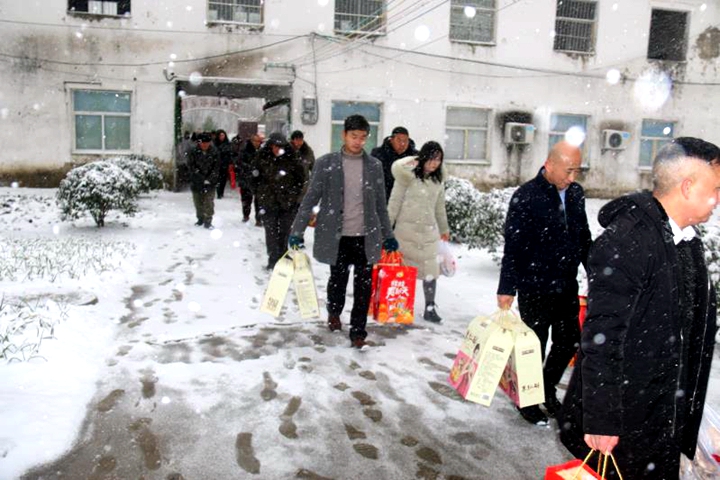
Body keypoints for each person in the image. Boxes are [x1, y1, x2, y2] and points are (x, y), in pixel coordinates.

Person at [559, 137, 720, 479]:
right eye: (716, 188)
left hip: (661, 408)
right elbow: (602, 336)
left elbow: (686, 330)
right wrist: (602, 420)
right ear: (688, 187)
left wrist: (689, 409)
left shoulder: (685, 239)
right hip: (628, 418)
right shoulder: (628, 241)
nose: (718, 199)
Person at [496, 140, 592, 426]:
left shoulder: (575, 194)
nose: (572, 178)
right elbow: (513, 245)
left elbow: (583, 235)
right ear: (549, 165)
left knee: (568, 341)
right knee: (533, 346)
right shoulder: (526, 195)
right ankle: (527, 399)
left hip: (565, 283)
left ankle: (547, 388)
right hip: (534, 284)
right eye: (568, 170)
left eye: (577, 171)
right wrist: (506, 287)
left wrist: (597, 273)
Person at [288, 114, 398, 350]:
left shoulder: (374, 166)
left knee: (363, 287)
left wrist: (388, 235)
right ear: (344, 135)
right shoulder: (326, 163)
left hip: (366, 237)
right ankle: (334, 312)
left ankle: (358, 331)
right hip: (336, 237)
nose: (358, 141)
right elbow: (309, 200)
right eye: (354, 136)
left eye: (362, 137)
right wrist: (297, 230)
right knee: (337, 281)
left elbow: (380, 205)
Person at [387, 141, 450, 323]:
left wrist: (444, 228)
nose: (434, 163)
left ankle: (430, 308)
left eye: (438, 159)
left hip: (428, 233)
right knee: (404, 273)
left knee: (430, 271)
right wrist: (387, 227)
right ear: (423, 157)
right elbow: (394, 202)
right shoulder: (407, 176)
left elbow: (439, 207)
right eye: (431, 159)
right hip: (405, 232)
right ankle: (399, 308)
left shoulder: (438, 180)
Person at [251, 132, 306, 270]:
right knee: (271, 232)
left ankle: (282, 255)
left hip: (287, 202)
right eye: (275, 146)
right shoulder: (262, 157)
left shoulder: (291, 158)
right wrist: (260, 192)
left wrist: (293, 195)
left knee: (284, 231)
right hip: (268, 201)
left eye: (280, 147)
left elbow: (300, 178)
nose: (277, 149)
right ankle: (273, 258)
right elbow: (253, 176)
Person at [371, 126, 418, 202]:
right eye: (399, 140)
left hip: (407, 200)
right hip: (383, 198)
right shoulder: (378, 154)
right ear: (392, 140)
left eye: (405, 141)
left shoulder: (414, 157)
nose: (402, 144)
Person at [187, 132, 220, 229]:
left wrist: (210, 178)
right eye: (203, 143)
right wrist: (200, 177)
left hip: (210, 182)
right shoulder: (193, 152)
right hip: (196, 181)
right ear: (199, 143)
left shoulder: (215, 152)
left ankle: (208, 220)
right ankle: (200, 218)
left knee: (209, 202)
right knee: (198, 202)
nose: (205, 145)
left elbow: (216, 167)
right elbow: (191, 166)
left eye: (207, 142)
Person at [238, 134, 263, 225]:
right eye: (255, 141)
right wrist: (251, 168)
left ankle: (259, 219)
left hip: (258, 180)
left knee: (259, 201)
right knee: (246, 199)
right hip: (246, 178)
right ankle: (246, 215)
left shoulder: (262, 151)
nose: (257, 143)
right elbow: (240, 162)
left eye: (258, 141)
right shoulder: (245, 150)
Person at [289, 130, 316, 201]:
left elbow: (313, 168)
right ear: (292, 140)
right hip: (289, 188)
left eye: (300, 140)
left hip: (303, 189)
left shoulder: (308, 151)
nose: (298, 143)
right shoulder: (287, 151)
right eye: (296, 140)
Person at [214, 129, 233, 199]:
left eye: (223, 135)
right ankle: (219, 192)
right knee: (218, 179)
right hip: (217, 165)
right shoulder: (215, 144)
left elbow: (230, 154)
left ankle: (221, 192)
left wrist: (230, 162)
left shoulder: (227, 144)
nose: (222, 137)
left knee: (223, 179)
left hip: (225, 164)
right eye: (220, 135)